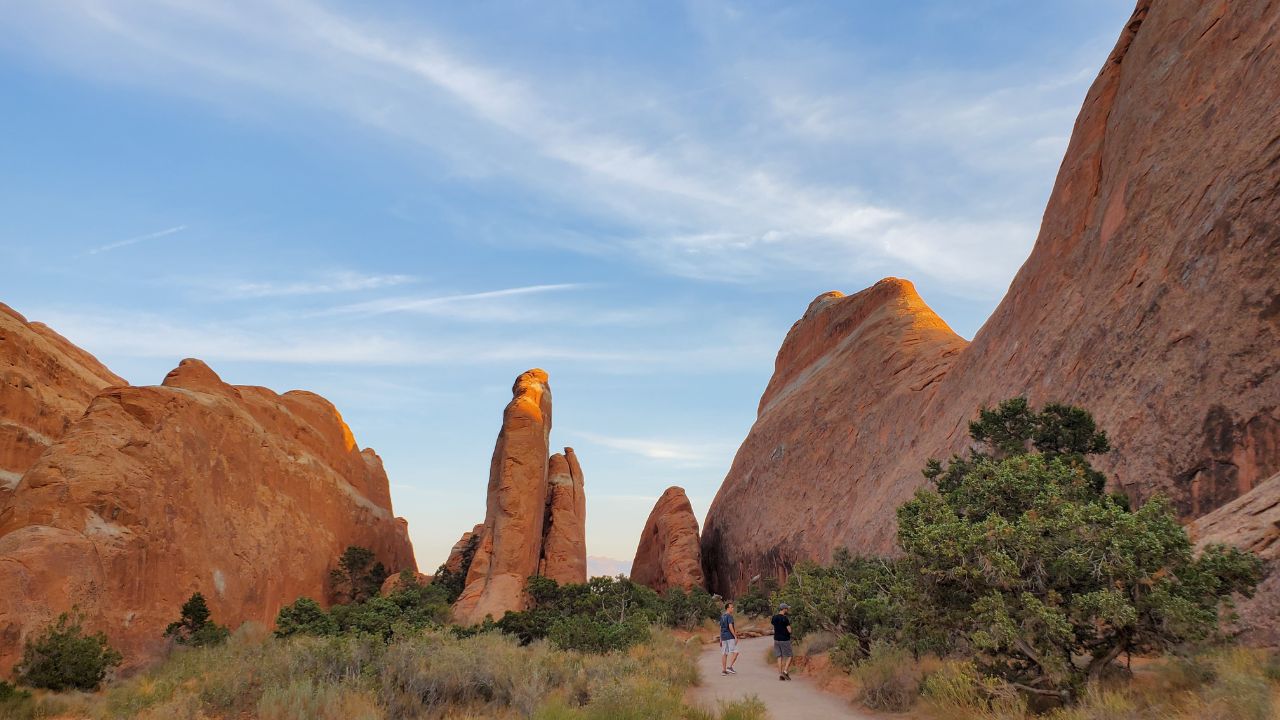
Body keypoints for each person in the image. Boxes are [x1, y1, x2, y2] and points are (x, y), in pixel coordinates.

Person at [771, 602, 793, 680]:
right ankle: (785, 671)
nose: (787, 610)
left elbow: (774, 627)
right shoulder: (785, 618)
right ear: (784, 609)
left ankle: (780, 674)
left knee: (779, 656)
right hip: (785, 639)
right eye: (786, 608)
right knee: (790, 655)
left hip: (776, 639)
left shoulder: (774, 618)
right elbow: (789, 630)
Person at [719, 601, 739, 675]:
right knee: (736, 652)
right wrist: (735, 636)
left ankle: (724, 671)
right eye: (732, 607)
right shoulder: (729, 616)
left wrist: (720, 639)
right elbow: (730, 626)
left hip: (724, 637)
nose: (733, 609)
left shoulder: (722, 616)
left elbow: (720, 628)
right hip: (730, 637)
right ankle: (729, 667)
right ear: (728, 608)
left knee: (724, 653)